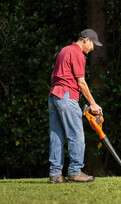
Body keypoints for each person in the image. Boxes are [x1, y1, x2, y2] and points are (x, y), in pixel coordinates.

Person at [48, 29, 103, 183]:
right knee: (76, 135)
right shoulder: (78, 53)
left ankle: (55, 174)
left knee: (56, 137)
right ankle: (74, 171)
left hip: (53, 97)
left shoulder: (64, 50)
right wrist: (93, 103)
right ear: (85, 40)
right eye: (92, 44)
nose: (92, 48)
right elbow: (81, 82)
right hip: (66, 96)